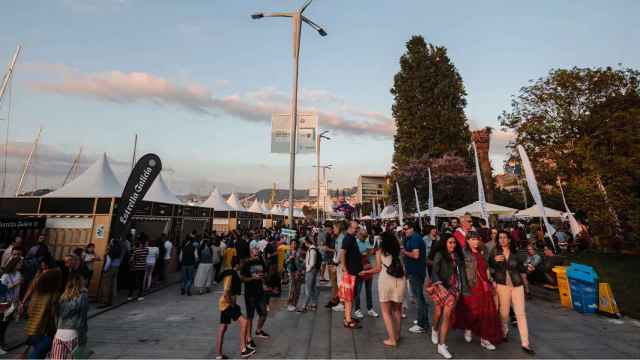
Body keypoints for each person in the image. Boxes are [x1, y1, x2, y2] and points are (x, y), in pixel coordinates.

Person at [454, 232, 502, 351]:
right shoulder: (463, 253)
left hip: (484, 285)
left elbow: (487, 267)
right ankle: (469, 327)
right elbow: (460, 271)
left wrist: (492, 279)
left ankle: (484, 338)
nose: (476, 242)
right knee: (473, 311)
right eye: (473, 239)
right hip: (472, 285)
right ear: (468, 240)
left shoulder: (483, 251)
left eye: (477, 239)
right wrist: (462, 286)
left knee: (486, 312)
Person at [490, 231, 535, 355]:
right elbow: (489, 267)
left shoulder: (516, 253)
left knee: (520, 313)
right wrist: (494, 262)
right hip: (501, 285)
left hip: (516, 285)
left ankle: (525, 343)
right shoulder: (494, 251)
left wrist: (528, 269)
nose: (502, 240)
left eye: (505, 237)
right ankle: (504, 332)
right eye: (500, 237)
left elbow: (520, 268)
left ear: (509, 240)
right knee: (503, 313)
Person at [359, 231, 406, 347]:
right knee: (397, 310)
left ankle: (392, 339)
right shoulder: (399, 251)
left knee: (386, 312)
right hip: (400, 281)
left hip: (386, 281)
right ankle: (397, 335)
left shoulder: (380, 252)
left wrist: (365, 271)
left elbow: (378, 269)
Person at [428, 234, 465, 359]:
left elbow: (461, 273)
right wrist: (440, 286)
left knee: (447, 315)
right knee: (439, 313)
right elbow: (434, 272)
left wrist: (462, 288)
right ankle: (434, 330)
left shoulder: (457, 256)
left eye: (454, 243)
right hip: (440, 286)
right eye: (450, 242)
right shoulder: (440, 254)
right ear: (445, 243)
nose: (453, 245)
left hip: (453, 288)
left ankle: (441, 345)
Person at [216, 257, 254, 359]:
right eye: (241, 264)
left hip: (224, 304)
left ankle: (219, 355)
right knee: (244, 322)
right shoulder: (230, 275)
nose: (242, 266)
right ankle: (243, 350)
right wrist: (232, 305)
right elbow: (226, 292)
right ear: (238, 265)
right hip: (227, 304)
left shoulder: (232, 273)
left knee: (223, 328)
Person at [24, 267, 62, 359]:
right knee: (37, 354)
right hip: (44, 330)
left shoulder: (37, 292)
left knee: (39, 352)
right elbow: (54, 313)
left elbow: (29, 311)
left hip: (32, 329)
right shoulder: (54, 294)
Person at [49, 274, 89, 359]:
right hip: (73, 334)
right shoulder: (83, 296)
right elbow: (82, 318)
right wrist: (83, 338)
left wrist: (58, 328)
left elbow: (56, 316)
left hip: (59, 334)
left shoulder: (62, 297)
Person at [402, 221, 429, 334]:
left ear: (412, 228)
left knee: (418, 298)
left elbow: (416, 255)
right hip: (415, 271)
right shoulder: (413, 238)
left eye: (407, 228)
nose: (405, 231)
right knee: (419, 297)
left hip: (416, 271)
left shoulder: (415, 239)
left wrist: (404, 252)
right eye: (404, 229)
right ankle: (422, 320)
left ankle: (422, 324)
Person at [240, 247, 270, 346]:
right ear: (251, 254)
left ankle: (258, 330)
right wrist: (253, 277)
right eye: (255, 254)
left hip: (260, 292)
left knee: (264, 313)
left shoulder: (261, 262)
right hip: (250, 293)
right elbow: (242, 278)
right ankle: (249, 338)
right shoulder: (246, 264)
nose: (257, 256)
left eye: (258, 254)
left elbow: (266, 274)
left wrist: (264, 278)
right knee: (250, 316)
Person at [340, 220, 363, 329]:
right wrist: (345, 268)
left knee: (351, 296)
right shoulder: (347, 238)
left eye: (357, 228)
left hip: (354, 271)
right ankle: (348, 320)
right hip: (351, 272)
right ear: (349, 228)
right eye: (355, 228)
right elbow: (342, 253)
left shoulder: (352, 237)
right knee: (349, 297)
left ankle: (348, 316)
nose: (356, 229)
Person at [353, 228, 378, 319]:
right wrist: (363, 253)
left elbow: (370, 252)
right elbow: (353, 255)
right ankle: (357, 309)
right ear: (358, 235)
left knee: (369, 290)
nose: (364, 238)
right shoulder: (355, 242)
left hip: (367, 266)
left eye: (365, 236)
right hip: (359, 268)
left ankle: (370, 308)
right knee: (358, 291)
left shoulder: (366, 241)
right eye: (363, 236)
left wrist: (370, 251)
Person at [1, 256, 22, 354]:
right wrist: (14, 284)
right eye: (19, 263)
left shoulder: (18, 274)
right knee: (2, 324)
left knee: (6, 325)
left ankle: (2, 343)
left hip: (13, 303)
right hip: (5, 303)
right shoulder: (5, 276)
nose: (21, 265)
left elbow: (18, 290)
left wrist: (18, 301)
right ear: (14, 264)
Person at [97, 238, 123, 308]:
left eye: (111, 242)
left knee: (106, 285)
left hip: (110, 268)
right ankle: (110, 301)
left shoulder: (111, 251)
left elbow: (108, 262)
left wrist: (104, 269)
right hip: (116, 268)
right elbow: (120, 261)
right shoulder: (119, 250)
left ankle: (104, 301)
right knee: (112, 285)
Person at [299, 237, 320, 312]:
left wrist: (307, 269)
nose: (304, 244)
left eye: (305, 242)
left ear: (307, 242)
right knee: (312, 288)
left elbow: (312, 263)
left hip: (310, 271)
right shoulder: (312, 249)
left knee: (308, 289)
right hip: (312, 271)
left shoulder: (312, 250)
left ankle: (304, 306)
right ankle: (314, 304)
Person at [286, 240, 304, 312]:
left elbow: (303, 261)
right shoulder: (288, 252)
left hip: (298, 272)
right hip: (291, 271)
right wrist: (290, 258)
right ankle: (289, 303)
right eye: (292, 244)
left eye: (295, 244)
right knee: (292, 287)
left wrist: (301, 269)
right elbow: (285, 261)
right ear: (290, 245)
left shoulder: (299, 252)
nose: (294, 245)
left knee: (298, 288)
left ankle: (294, 303)